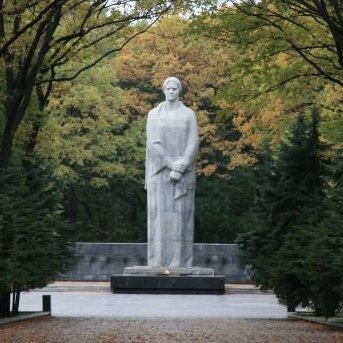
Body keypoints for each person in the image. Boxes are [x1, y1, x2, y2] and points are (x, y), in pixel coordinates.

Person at [145, 77, 199, 267]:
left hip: (183, 175)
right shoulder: (154, 114)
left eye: (175, 88)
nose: (171, 91)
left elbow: (193, 143)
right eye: (168, 88)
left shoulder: (189, 115)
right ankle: (158, 262)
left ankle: (180, 262)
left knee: (180, 220)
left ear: (179, 91)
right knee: (159, 218)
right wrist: (171, 164)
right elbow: (153, 143)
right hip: (160, 173)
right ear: (163, 90)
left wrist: (182, 166)